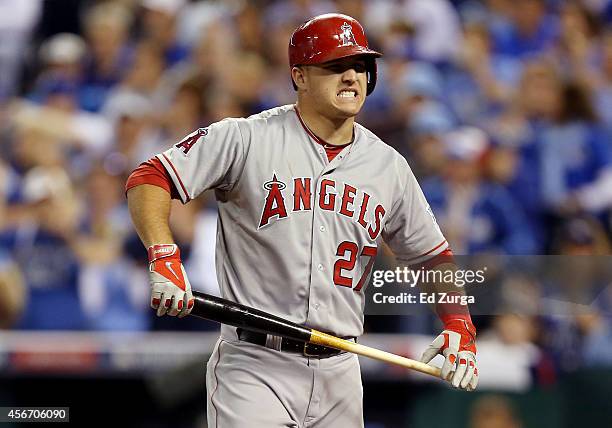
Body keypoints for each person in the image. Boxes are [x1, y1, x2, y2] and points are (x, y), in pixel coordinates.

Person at [126, 13, 478, 427]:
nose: (351, 76)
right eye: (334, 65)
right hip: (255, 363)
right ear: (300, 76)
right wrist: (163, 254)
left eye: (360, 66)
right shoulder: (247, 137)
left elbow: (432, 256)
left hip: (341, 369)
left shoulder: (389, 166)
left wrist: (461, 325)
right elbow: (150, 177)